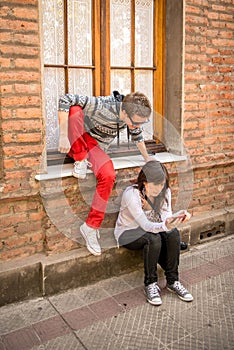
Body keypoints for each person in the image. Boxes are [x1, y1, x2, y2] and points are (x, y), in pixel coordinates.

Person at [58, 91, 153, 256]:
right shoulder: (102, 105)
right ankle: (80, 158)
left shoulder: (130, 118)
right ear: (123, 112)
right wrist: (63, 137)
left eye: (141, 123)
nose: (137, 127)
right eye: (136, 122)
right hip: (76, 140)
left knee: (108, 175)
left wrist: (147, 158)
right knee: (75, 109)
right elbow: (65, 99)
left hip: (94, 147)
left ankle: (90, 227)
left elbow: (137, 135)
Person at [114, 160, 193, 305]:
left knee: (173, 233)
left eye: (162, 184)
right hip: (128, 232)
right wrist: (165, 224)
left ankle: (173, 281)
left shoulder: (165, 192)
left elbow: (165, 218)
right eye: (155, 184)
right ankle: (150, 284)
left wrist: (179, 217)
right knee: (154, 239)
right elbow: (145, 225)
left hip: (152, 228)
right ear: (145, 182)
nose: (159, 188)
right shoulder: (132, 195)